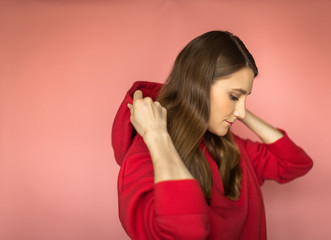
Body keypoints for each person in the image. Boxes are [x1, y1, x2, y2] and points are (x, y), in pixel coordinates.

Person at [111, 30, 313, 240]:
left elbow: (295, 164)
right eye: (234, 96)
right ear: (198, 86)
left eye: (246, 98)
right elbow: (185, 232)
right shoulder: (144, 157)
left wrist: (238, 110)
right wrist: (155, 135)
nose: (242, 111)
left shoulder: (231, 148)